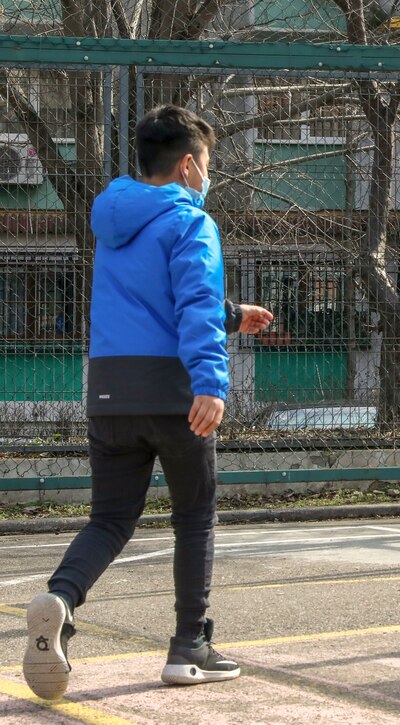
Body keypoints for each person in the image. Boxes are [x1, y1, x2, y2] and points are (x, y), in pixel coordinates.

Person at [23, 105, 274, 699]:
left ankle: (60, 597)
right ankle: (190, 648)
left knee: (110, 519)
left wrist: (234, 316)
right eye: (206, 164)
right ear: (189, 164)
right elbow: (189, 302)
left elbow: (153, 301)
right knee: (194, 514)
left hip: (109, 390)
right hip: (174, 392)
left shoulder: (113, 222)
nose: (205, 176)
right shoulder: (190, 221)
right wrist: (212, 383)